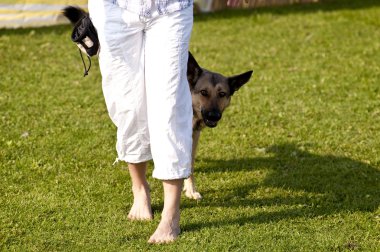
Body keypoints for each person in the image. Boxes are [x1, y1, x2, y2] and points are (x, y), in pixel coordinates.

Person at [88, 0, 241, 244]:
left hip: (171, 7)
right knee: (128, 104)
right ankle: (139, 189)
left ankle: (171, 215)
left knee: (170, 105)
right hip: (114, 7)